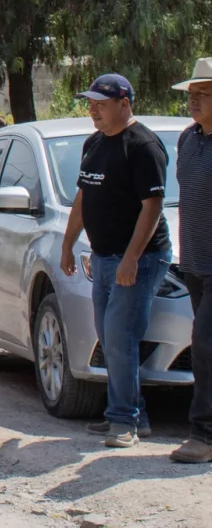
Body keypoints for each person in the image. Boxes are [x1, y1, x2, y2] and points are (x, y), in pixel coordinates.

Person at [60, 74, 174, 448]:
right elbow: (83, 197)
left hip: (140, 260)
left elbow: (152, 208)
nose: (92, 109)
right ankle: (131, 414)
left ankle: (123, 421)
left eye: (100, 103)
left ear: (125, 104)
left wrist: (130, 259)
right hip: (104, 257)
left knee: (121, 338)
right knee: (109, 338)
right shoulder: (93, 143)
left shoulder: (143, 145)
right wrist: (68, 244)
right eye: (90, 102)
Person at [170, 58, 212, 464]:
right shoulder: (187, 138)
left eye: (203, 94)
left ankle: (203, 434)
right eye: (191, 94)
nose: (193, 100)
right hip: (195, 261)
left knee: (204, 344)